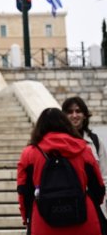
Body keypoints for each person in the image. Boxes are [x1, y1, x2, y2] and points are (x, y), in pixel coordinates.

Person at [17, 107, 105, 235]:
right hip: (84, 219)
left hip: (43, 223)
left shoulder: (29, 154)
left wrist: (27, 218)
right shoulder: (84, 149)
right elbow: (98, 188)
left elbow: (24, 192)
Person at [62, 96, 107, 234]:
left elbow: (104, 175)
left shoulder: (95, 141)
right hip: (66, 203)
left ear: (85, 115)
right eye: (70, 112)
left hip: (94, 203)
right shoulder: (59, 142)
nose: (74, 115)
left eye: (78, 111)